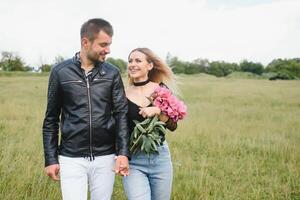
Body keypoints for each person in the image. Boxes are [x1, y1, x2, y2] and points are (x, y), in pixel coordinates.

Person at [42, 18, 129, 200]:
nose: (108, 50)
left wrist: (122, 152)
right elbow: (51, 119)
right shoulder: (60, 72)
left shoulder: (112, 73)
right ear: (85, 42)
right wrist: (51, 159)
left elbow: (121, 114)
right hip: (71, 157)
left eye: (110, 44)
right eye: (103, 44)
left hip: (106, 156)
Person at [123, 47, 178, 200]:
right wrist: (121, 155)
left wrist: (158, 112)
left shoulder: (160, 90)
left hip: (159, 157)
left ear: (149, 66)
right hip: (134, 159)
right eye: (130, 61)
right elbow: (118, 127)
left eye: (138, 61)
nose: (132, 64)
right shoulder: (122, 93)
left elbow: (173, 125)